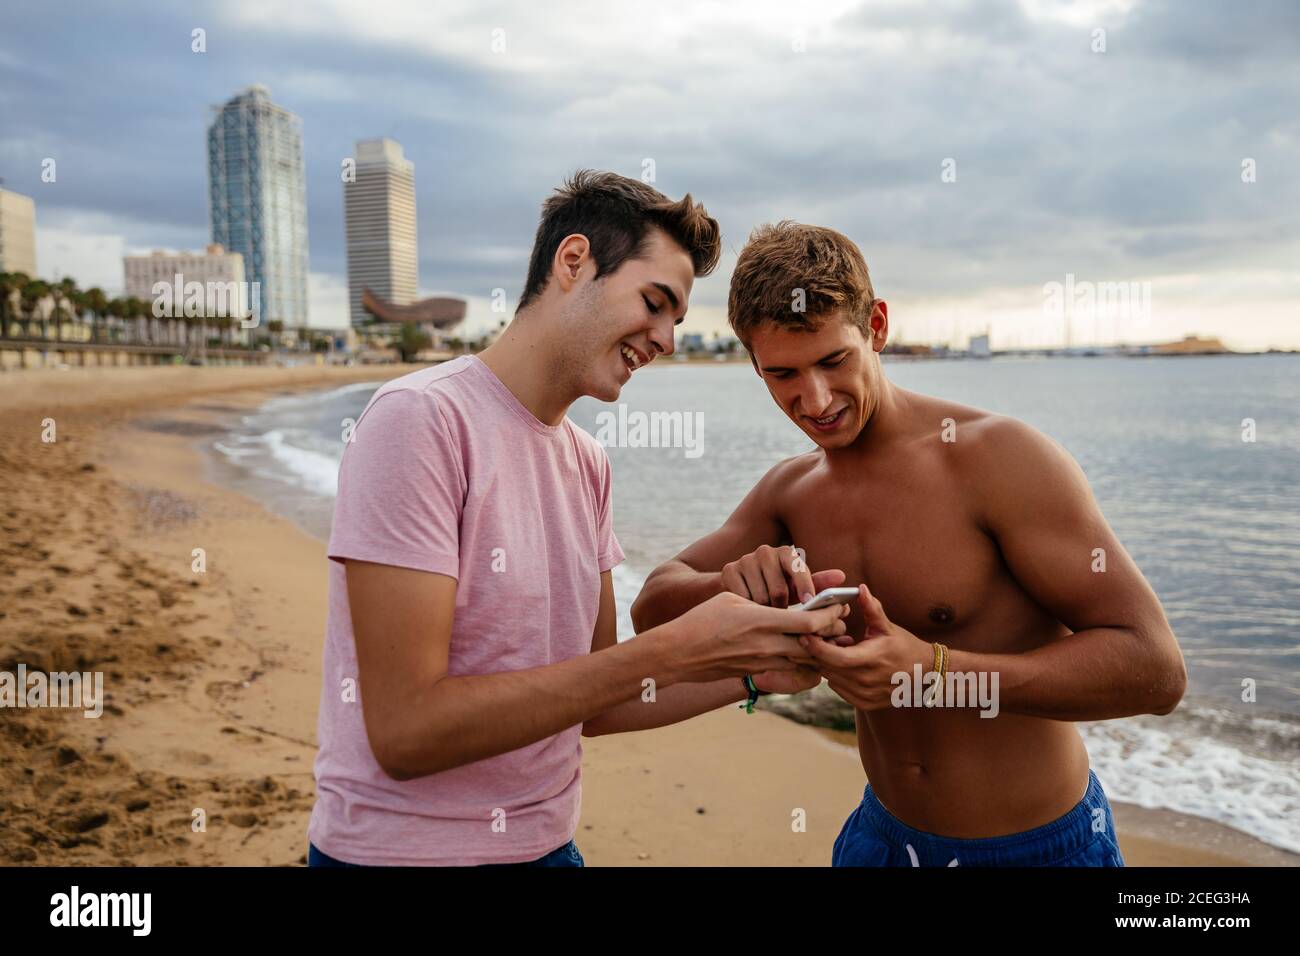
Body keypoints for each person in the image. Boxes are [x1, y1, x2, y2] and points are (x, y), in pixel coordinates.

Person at [307, 174, 848, 867]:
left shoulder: (587, 462)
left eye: (678, 321)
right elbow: (406, 732)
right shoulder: (420, 421)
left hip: (550, 848)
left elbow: (594, 696)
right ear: (573, 263)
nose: (666, 340)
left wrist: (751, 670)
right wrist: (671, 647)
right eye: (656, 304)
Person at [631, 220, 1187, 867]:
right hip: (883, 841)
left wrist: (935, 673)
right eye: (782, 374)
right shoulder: (791, 491)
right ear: (755, 365)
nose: (814, 400)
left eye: (834, 361)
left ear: (877, 327)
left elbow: (1155, 670)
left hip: (1037, 849)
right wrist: (728, 586)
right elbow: (653, 607)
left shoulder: (1000, 459)